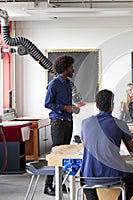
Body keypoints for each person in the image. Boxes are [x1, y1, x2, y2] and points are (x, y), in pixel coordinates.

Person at [80, 89, 133, 200]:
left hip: (88, 175)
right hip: (114, 173)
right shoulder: (121, 124)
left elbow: (85, 146)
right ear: (112, 106)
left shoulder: (85, 123)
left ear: (97, 105)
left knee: (86, 179)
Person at [44, 55, 78, 196]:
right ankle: (48, 185)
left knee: (65, 153)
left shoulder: (68, 83)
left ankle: (60, 183)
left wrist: (72, 108)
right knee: (56, 153)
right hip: (58, 122)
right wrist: (64, 108)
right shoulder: (54, 84)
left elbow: (67, 105)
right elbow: (47, 104)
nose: (72, 69)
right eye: (70, 66)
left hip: (68, 121)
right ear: (65, 68)